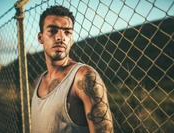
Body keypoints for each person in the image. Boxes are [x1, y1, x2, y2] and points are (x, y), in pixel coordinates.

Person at [31, 5, 114, 133]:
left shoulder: (84, 77)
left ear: (72, 39)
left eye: (67, 32)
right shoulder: (38, 81)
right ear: (40, 37)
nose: (61, 37)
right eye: (52, 31)